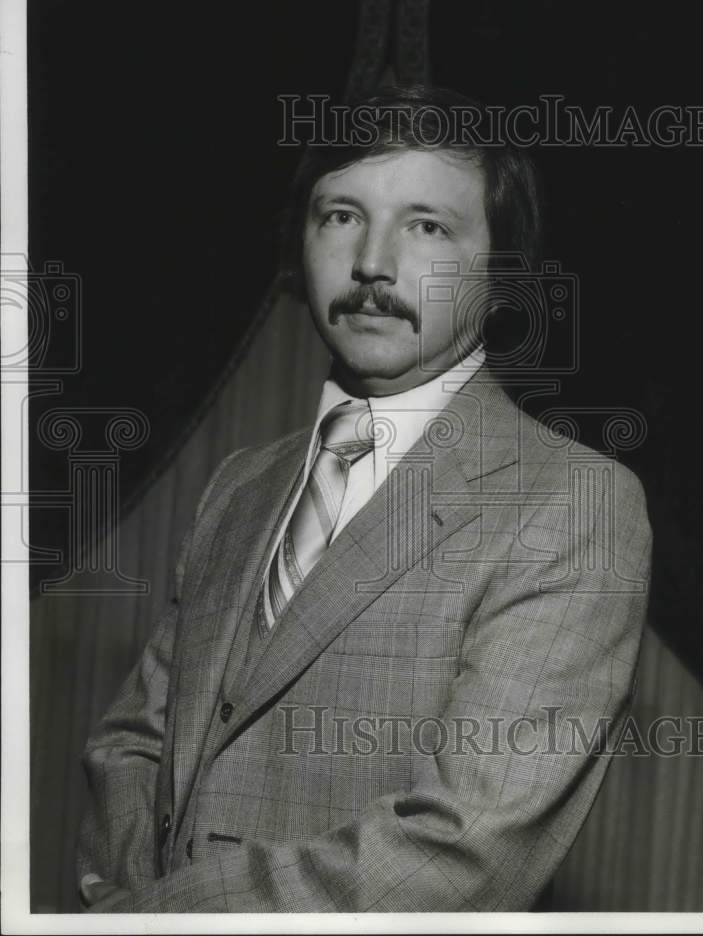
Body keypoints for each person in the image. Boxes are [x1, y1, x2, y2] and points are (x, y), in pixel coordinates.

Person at [77, 84, 652, 913]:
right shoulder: (242, 483)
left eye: (427, 226)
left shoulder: (573, 501)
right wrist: (112, 899)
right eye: (340, 215)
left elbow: (465, 844)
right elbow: (134, 742)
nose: (372, 263)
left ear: (502, 272)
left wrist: (156, 920)